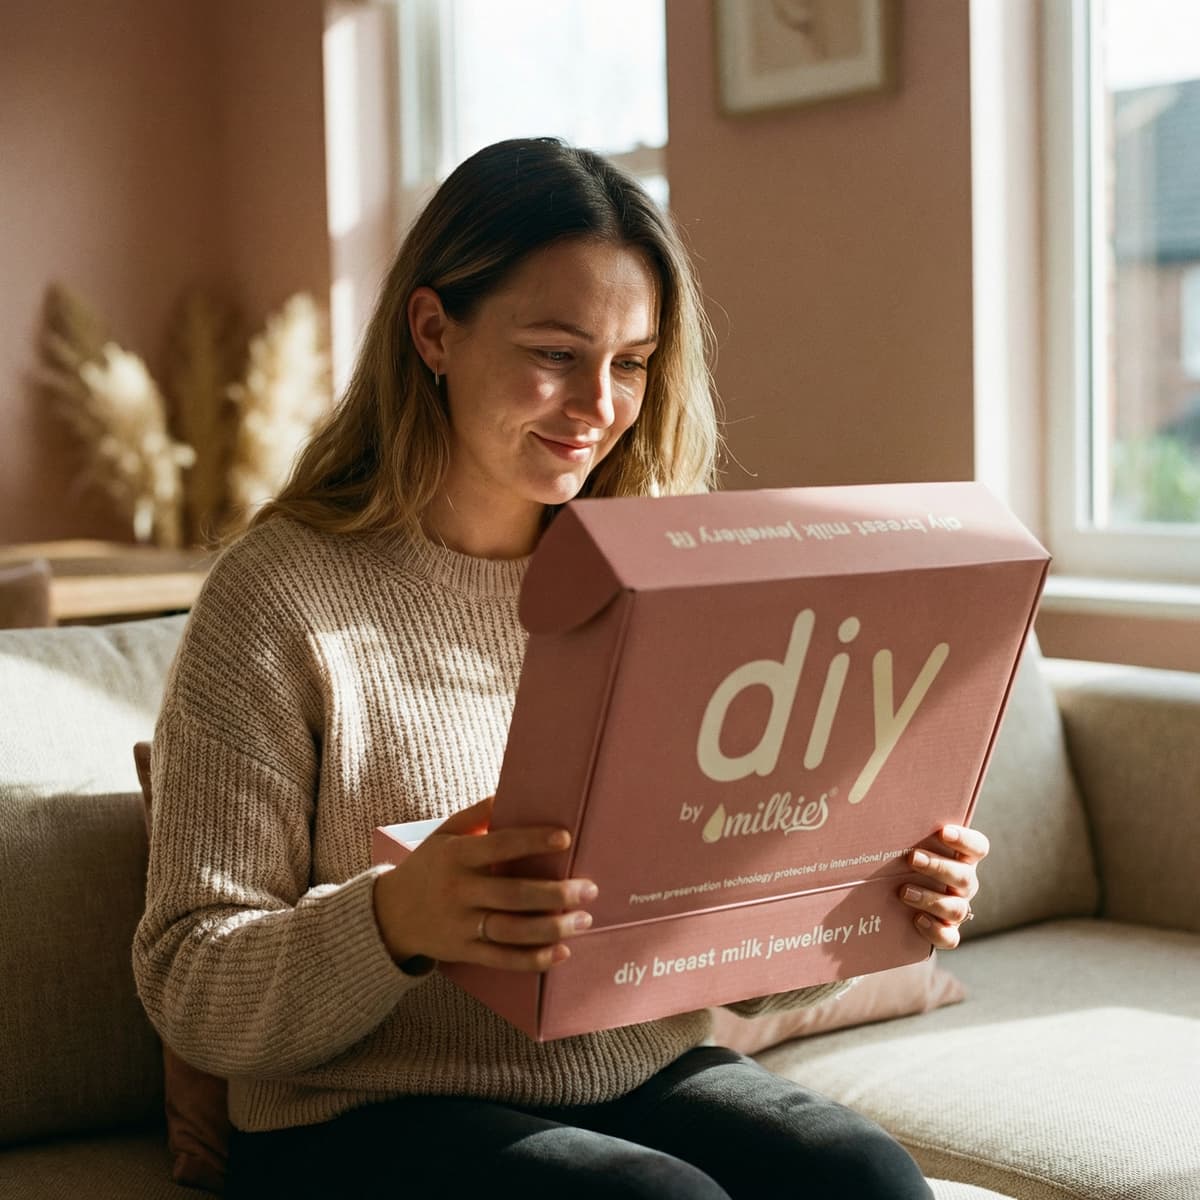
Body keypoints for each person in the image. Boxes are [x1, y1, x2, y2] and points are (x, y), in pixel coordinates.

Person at [133, 137, 987, 1199]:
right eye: (556, 352)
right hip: (355, 1116)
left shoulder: (658, 579)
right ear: (433, 332)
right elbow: (190, 981)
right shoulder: (277, 596)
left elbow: (715, 947)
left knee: (865, 1176)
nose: (598, 405)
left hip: (628, 1070)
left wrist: (853, 898)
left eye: (631, 363)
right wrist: (393, 920)